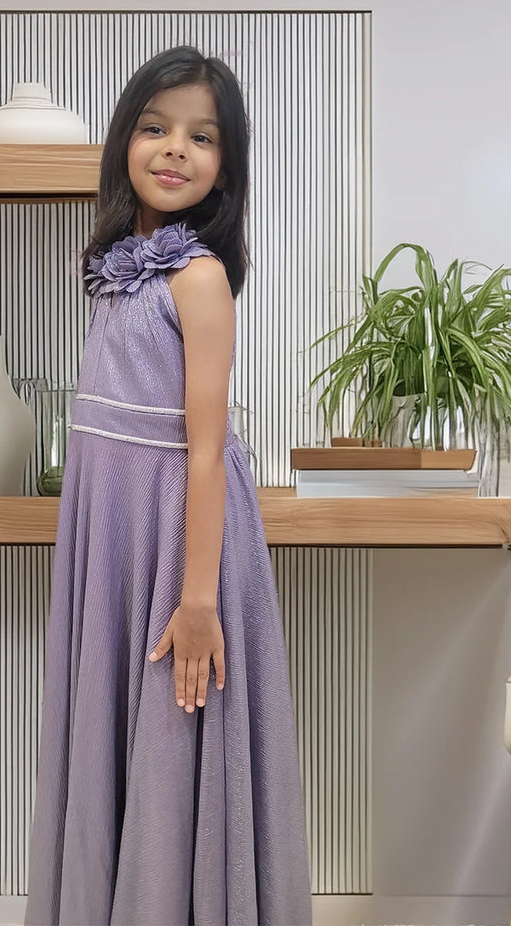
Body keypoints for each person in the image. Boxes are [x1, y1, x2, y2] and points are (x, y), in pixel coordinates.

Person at [24, 45, 312, 926]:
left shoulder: (198, 277)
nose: (175, 148)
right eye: (155, 127)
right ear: (123, 144)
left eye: (202, 135)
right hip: (113, 536)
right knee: (113, 729)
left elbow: (204, 445)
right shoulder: (117, 273)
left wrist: (196, 601)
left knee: (172, 736)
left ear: (227, 169)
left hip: (179, 543)